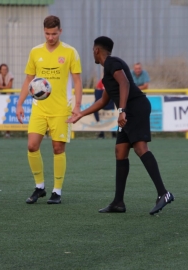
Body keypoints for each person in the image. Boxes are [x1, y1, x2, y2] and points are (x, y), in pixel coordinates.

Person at [68, 36, 174, 215]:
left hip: (135, 109)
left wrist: (122, 110)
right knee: (120, 151)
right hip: (129, 111)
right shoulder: (107, 71)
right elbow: (103, 100)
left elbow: (124, 82)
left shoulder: (112, 63)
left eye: (92, 50)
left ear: (96, 50)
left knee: (140, 148)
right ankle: (118, 202)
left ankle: (164, 193)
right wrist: (80, 114)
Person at [16, 15, 83, 204]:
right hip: (39, 108)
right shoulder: (35, 52)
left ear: (60, 31)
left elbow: (78, 81)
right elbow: (29, 79)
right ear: (43, 31)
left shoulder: (70, 52)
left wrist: (77, 106)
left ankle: (57, 191)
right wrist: (20, 103)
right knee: (31, 146)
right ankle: (39, 187)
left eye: (54, 33)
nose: (50, 37)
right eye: (47, 34)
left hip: (62, 109)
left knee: (57, 148)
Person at [0, 63, 14, 138]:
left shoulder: (10, 76)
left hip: (9, 96)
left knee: (8, 113)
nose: (4, 71)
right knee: (1, 113)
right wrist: (5, 88)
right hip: (1, 96)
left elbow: (9, 86)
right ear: (0, 70)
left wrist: (1, 87)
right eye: (3, 69)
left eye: (6, 69)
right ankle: (0, 130)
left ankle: (8, 132)